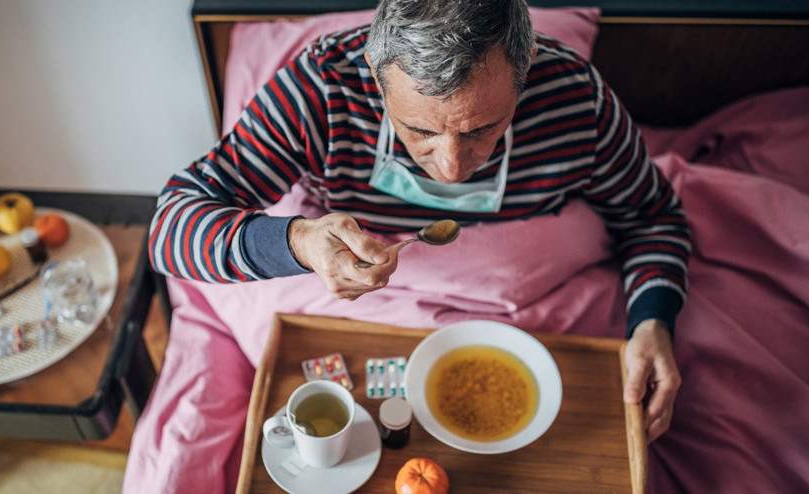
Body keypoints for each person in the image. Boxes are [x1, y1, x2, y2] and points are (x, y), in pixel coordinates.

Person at [126, 0, 690, 491]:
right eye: (420, 130)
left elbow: (653, 216)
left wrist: (652, 323)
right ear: (375, 72)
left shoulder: (579, 103)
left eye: (480, 130)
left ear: (525, 72)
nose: (451, 168)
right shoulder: (322, 87)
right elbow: (169, 228)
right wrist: (298, 240)